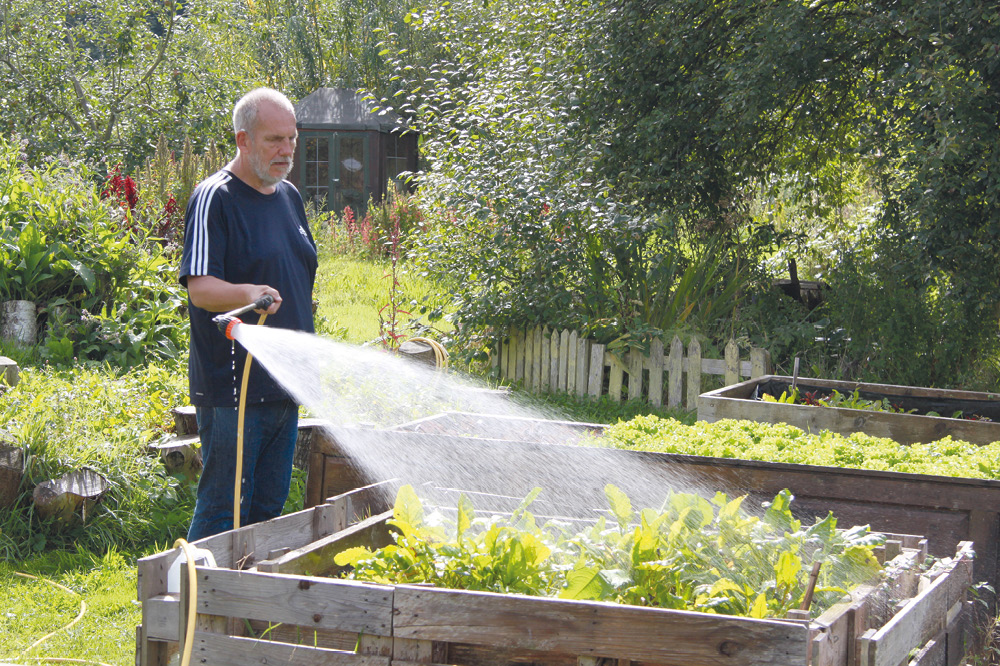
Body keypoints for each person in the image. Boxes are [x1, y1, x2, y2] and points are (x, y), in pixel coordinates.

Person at [179, 88, 317, 541]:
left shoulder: (290, 197)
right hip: (233, 389)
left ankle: (248, 608)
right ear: (242, 140)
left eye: (292, 140)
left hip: (284, 384)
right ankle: (192, 607)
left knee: (268, 510)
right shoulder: (213, 198)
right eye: (274, 140)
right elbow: (200, 289)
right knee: (224, 512)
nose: (287, 151)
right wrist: (247, 292)